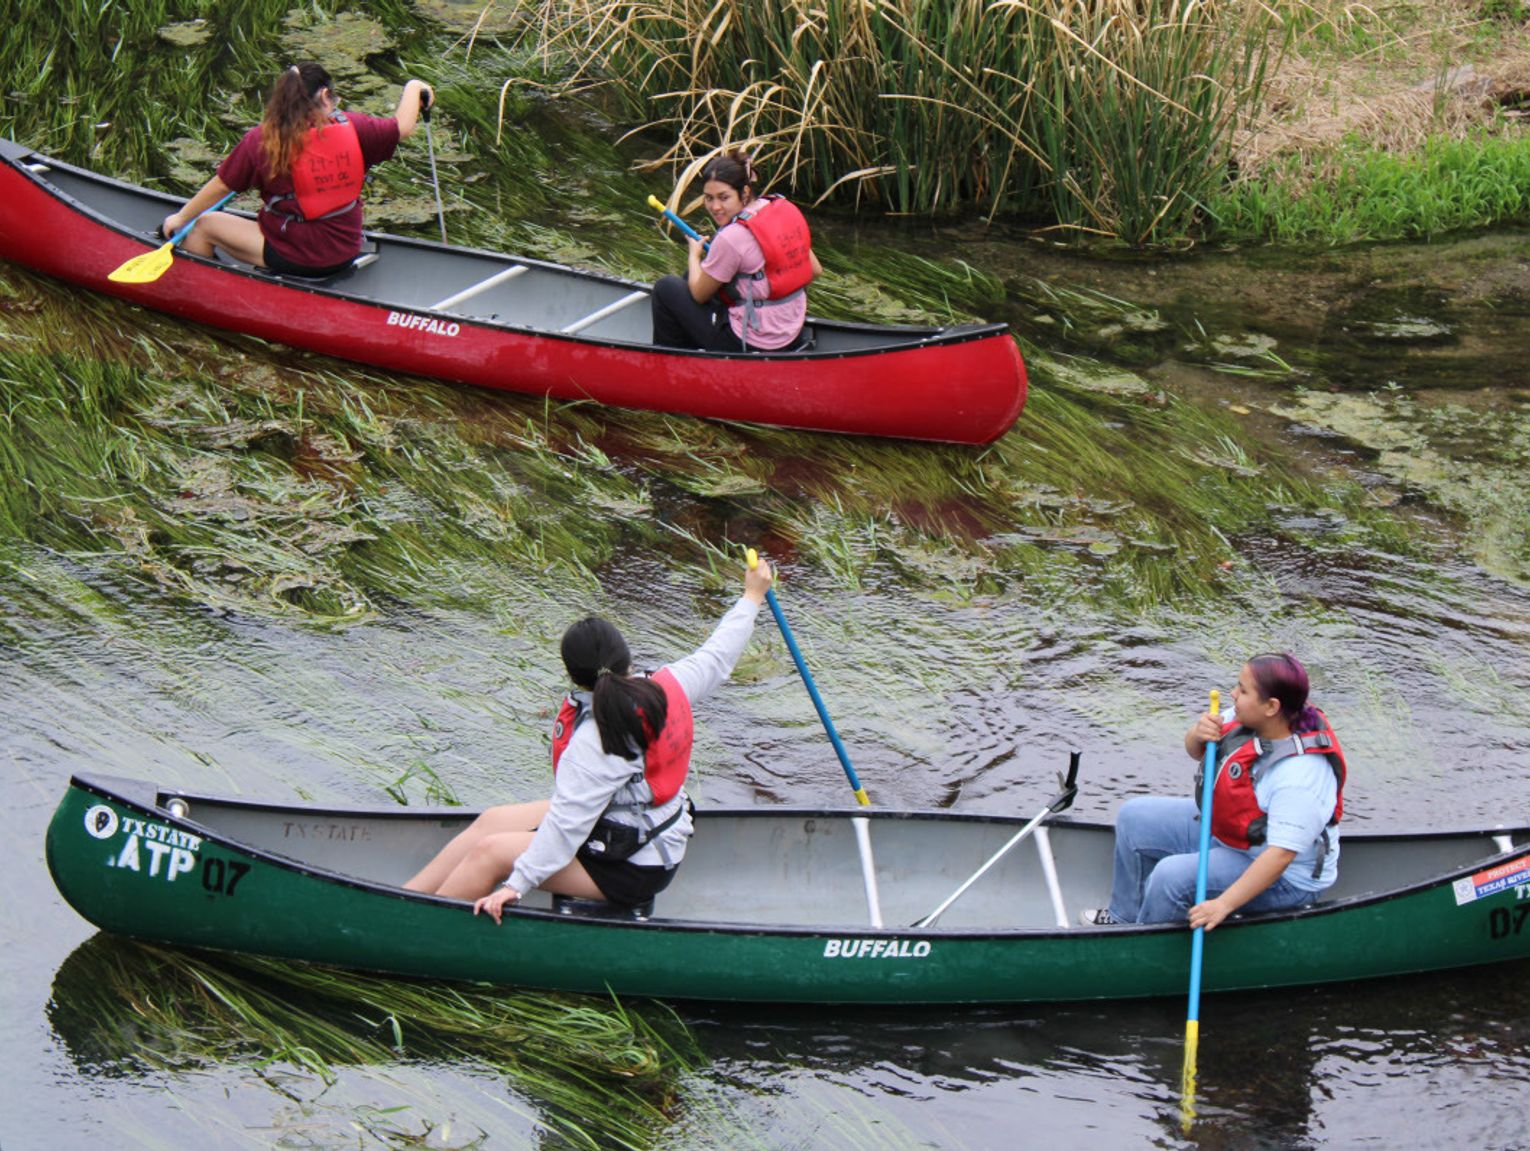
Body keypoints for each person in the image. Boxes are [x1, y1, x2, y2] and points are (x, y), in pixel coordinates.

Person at [405, 557, 774, 922]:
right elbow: (718, 654)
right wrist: (752, 595)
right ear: (626, 657)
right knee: (492, 821)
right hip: (625, 825)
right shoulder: (668, 684)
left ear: (574, 677)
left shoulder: (596, 741)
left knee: (489, 852)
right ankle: (404, 904)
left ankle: (416, 932)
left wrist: (515, 885)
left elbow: (567, 827)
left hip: (634, 865)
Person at [1081, 653, 1347, 929]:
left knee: (1169, 878)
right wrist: (1198, 733)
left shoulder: (1301, 775)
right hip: (1235, 835)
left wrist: (1224, 904)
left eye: (1243, 690)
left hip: (1285, 877)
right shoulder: (1253, 718)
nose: (1233, 693)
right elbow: (1195, 751)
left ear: (1271, 706)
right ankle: (1123, 918)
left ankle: (1142, 949)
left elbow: (1280, 856)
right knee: (1133, 817)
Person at [160, 62, 432, 278]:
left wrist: (180, 218)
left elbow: (222, 186)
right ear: (325, 96)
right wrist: (414, 85)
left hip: (296, 253)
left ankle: (210, 288)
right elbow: (403, 126)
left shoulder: (262, 141)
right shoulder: (355, 127)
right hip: (346, 248)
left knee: (204, 225)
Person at [650, 149, 824, 352]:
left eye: (724, 198)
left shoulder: (731, 237)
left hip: (753, 341)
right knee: (693, 277)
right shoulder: (781, 210)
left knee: (666, 289)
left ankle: (670, 364)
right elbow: (815, 270)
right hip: (792, 330)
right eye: (708, 198)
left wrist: (694, 255)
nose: (715, 206)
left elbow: (698, 295)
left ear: (744, 193)